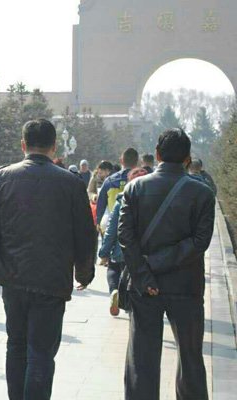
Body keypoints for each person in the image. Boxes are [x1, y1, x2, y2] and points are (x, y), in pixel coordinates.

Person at [0, 119, 95, 400]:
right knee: (41, 352)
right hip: (52, 279)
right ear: (54, 147)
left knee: (16, 346)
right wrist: (84, 273)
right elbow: (85, 233)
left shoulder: (3, 178)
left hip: (13, 277)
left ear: (23, 144)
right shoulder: (71, 182)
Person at [119, 128, 215, 400]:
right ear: (188, 157)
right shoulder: (202, 193)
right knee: (190, 357)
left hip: (144, 285)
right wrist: (158, 263)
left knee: (141, 358)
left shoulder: (134, 188)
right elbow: (200, 242)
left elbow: (125, 237)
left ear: (157, 154)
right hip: (186, 285)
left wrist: (144, 272)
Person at [99, 167, 147, 316]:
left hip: (122, 249)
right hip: (144, 252)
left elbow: (111, 229)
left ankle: (115, 291)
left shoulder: (121, 201)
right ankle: (131, 306)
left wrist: (104, 252)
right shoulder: (152, 202)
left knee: (113, 269)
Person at [95, 148, 139, 230]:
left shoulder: (109, 181)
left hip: (114, 226)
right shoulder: (142, 180)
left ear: (121, 161)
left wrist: (98, 222)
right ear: (137, 162)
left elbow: (101, 204)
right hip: (136, 226)